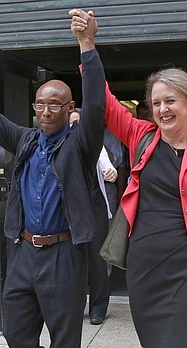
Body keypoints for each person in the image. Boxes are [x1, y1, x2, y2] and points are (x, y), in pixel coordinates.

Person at [73, 12, 187, 347]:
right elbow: (104, 102)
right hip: (146, 267)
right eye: (156, 104)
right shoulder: (142, 137)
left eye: (170, 101)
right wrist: (86, 45)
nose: (162, 109)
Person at [0, 10, 107, 347]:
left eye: (54, 105)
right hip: (23, 251)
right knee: (16, 334)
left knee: (65, 339)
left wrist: (86, 44)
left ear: (69, 109)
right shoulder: (24, 140)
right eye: (40, 105)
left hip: (64, 255)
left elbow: (96, 105)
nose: (46, 112)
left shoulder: (80, 143)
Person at [70, 110, 119, 325]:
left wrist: (112, 173)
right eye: (71, 124)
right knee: (72, 260)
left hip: (95, 206)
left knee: (97, 260)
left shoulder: (95, 146)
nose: (75, 128)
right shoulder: (62, 146)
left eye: (78, 123)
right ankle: (75, 305)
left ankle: (98, 307)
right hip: (71, 209)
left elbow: (108, 167)